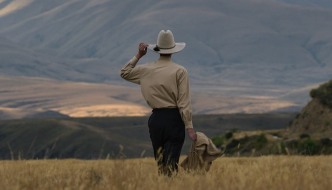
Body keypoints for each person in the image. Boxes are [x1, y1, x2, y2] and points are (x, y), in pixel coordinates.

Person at [120, 30, 197, 176]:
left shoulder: (146, 69)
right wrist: (189, 127)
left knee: (161, 164)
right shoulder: (180, 71)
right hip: (175, 120)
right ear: (173, 50)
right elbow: (183, 102)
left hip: (156, 120)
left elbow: (124, 72)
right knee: (171, 164)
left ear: (158, 50)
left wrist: (139, 55)